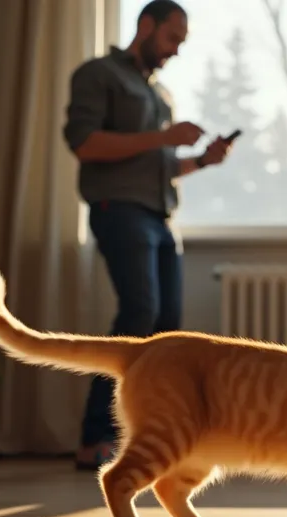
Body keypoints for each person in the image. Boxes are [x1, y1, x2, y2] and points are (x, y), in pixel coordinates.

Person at [62, 0, 232, 470]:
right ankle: (93, 437)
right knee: (139, 314)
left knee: (166, 330)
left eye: (182, 42)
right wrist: (162, 137)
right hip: (119, 210)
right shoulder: (99, 74)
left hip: (159, 218)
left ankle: (150, 441)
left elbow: (160, 169)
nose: (176, 50)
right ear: (146, 25)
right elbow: (84, 143)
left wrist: (201, 161)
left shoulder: (161, 96)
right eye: (172, 38)